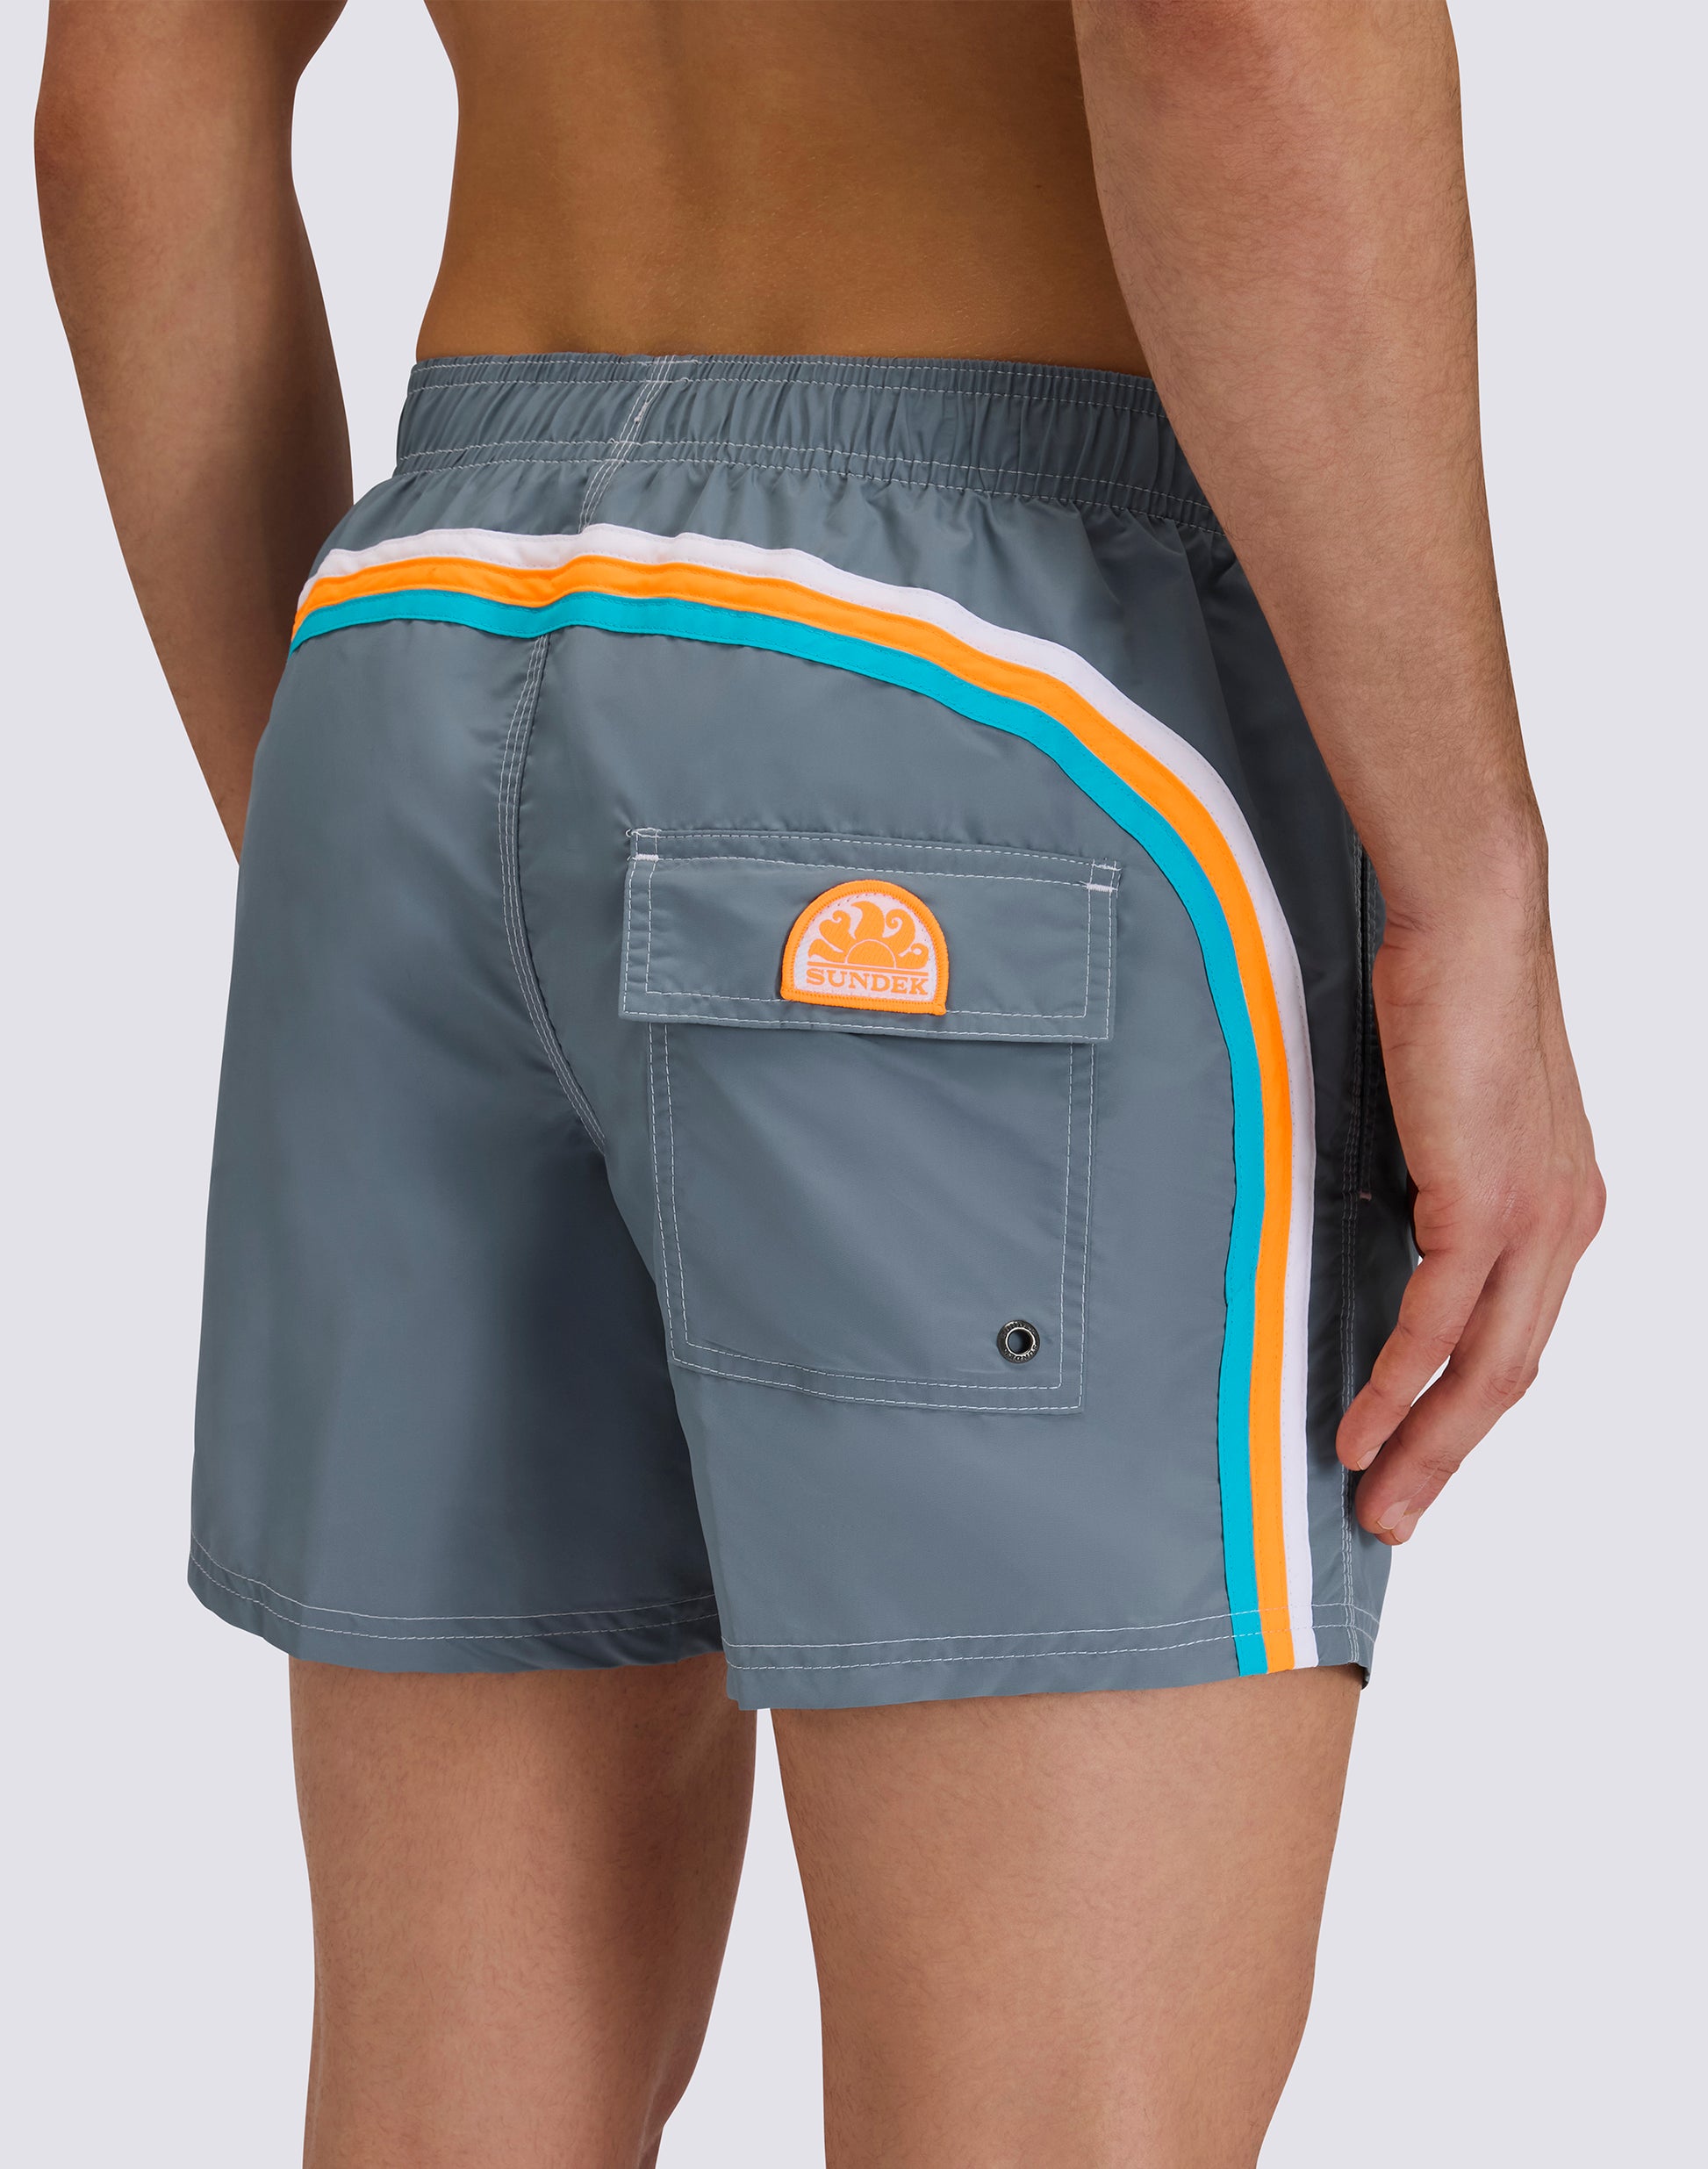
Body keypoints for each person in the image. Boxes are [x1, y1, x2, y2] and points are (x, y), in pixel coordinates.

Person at [36, 3, 1603, 2163]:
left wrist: (332, 817)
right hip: (985, 671)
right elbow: (1225, 27)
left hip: (422, 629)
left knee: (449, 2110)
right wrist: (1473, 889)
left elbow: (128, 94)